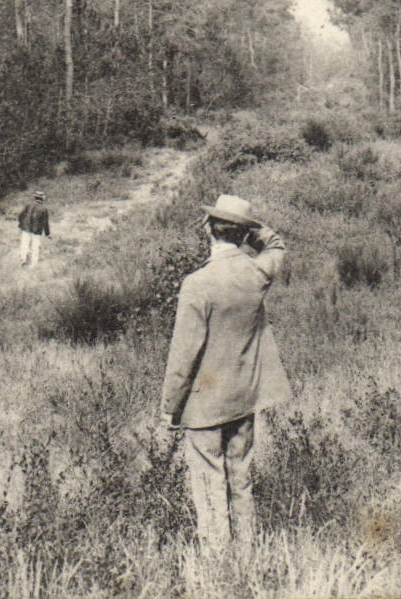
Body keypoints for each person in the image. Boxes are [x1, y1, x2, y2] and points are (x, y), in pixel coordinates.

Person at [160, 193, 292, 549]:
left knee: (209, 486)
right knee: (241, 480)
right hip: (245, 397)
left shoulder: (197, 283)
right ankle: (247, 551)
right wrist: (252, 230)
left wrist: (171, 406)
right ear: (242, 234)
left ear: (208, 230)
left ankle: (218, 561)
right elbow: (275, 243)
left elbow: (183, 356)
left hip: (204, 406)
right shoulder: (258, 271)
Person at [17, 189, 50, 268]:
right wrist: (47, 233)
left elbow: (20, 215)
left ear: (35, 197)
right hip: (36, 231)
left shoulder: (28, 205)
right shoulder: (44, 209)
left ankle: (23, 260)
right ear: (42, 199)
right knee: (35, 247)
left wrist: (21, 224)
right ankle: (33, 264)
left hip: (26, 228)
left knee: (24, 245)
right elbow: (45, 222)